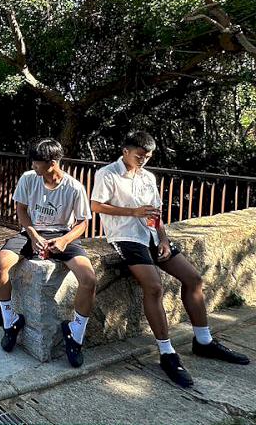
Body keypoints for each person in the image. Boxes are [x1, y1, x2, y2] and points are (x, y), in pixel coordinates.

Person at [91, 131, 249, 388]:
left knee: (193, 279)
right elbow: (96, 205)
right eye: (139, 156)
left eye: (148, 156)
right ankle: (167, 352)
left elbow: (156, 214)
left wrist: (163, 239)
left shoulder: (147, 177)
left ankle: (204, 341)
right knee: (154, 287)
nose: (143, 160)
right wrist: (133, 212)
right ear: (125, 151)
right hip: (126, 236)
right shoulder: (107, 174)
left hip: (152, 236)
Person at [0, 138, 97, 368]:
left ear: (52, 163)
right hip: (31, 233)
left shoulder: (74, 187)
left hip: (62, 234)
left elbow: (82, 223)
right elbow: (21, 210)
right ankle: (10, 322)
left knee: (89, 279)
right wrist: (33, 235)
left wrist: (64, 240)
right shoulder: (28, 179)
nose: (33, 166)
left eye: (36, 162)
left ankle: (75, 334)